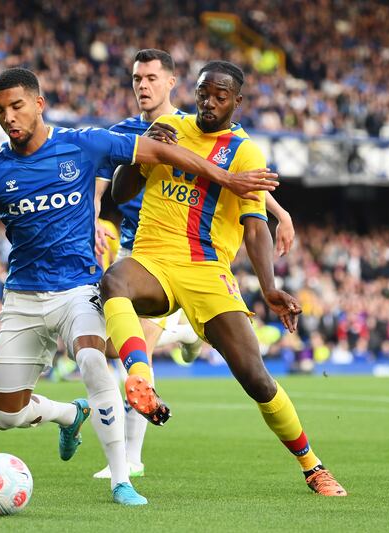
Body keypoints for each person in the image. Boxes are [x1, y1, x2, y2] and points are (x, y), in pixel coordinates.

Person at [0, 67, 279, 506]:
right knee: (6, 416)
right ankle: (69, 413)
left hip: (78, 288)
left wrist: (230, 181)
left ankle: (122, 480)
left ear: (39, 104)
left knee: (92, 358)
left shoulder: (82, 145)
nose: (9, 117)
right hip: (22, 296)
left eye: (17, 106)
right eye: (0, 110)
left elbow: (162, 153)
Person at [100, 60, 347, 496]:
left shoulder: (245, 151)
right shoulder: (169, 127)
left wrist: (269, 287)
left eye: (219, 96)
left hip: (207, 272)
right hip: (153, 259)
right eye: (203, 94)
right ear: (192, 92)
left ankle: (313, 466)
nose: (209, 103)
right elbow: (119, 196)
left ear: (237, 100)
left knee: (256, 378)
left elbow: (254, 226)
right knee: (115, 282)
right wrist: (140, 156)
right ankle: (139, 377)